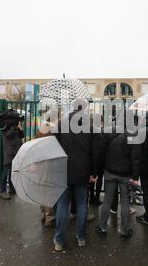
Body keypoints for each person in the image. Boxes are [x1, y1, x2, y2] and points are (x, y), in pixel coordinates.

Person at [53, 103, 101, 251]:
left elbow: (54, 147)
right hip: (83, 172)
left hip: (64, 171)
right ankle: (81, 237)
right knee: (81, 205)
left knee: (62, 205)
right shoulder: (91, 127)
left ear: (73, 108)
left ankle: (59, 240)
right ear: (84, 109)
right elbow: (96, 153)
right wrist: (94, 173)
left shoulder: (61, 125)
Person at [95, 122, 142, 240]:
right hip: (125, 174)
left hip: (110, 171)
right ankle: (124, 231)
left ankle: (102, 227)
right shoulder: (134, 134)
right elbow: (135, 157)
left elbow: (101, 150)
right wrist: (135, 177)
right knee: (125, 202)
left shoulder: (108, 131)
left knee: (107, 200)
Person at [0, 112, 24, 200]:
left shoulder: (16, 127)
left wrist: (19, 128)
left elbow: (22, 135)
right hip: (9, 152)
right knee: (6, 171)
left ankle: (12, 189)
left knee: (13, 171)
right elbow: (8, 136)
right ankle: (2, 191)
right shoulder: (4, 126)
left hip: (16, 151)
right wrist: (14, 127)